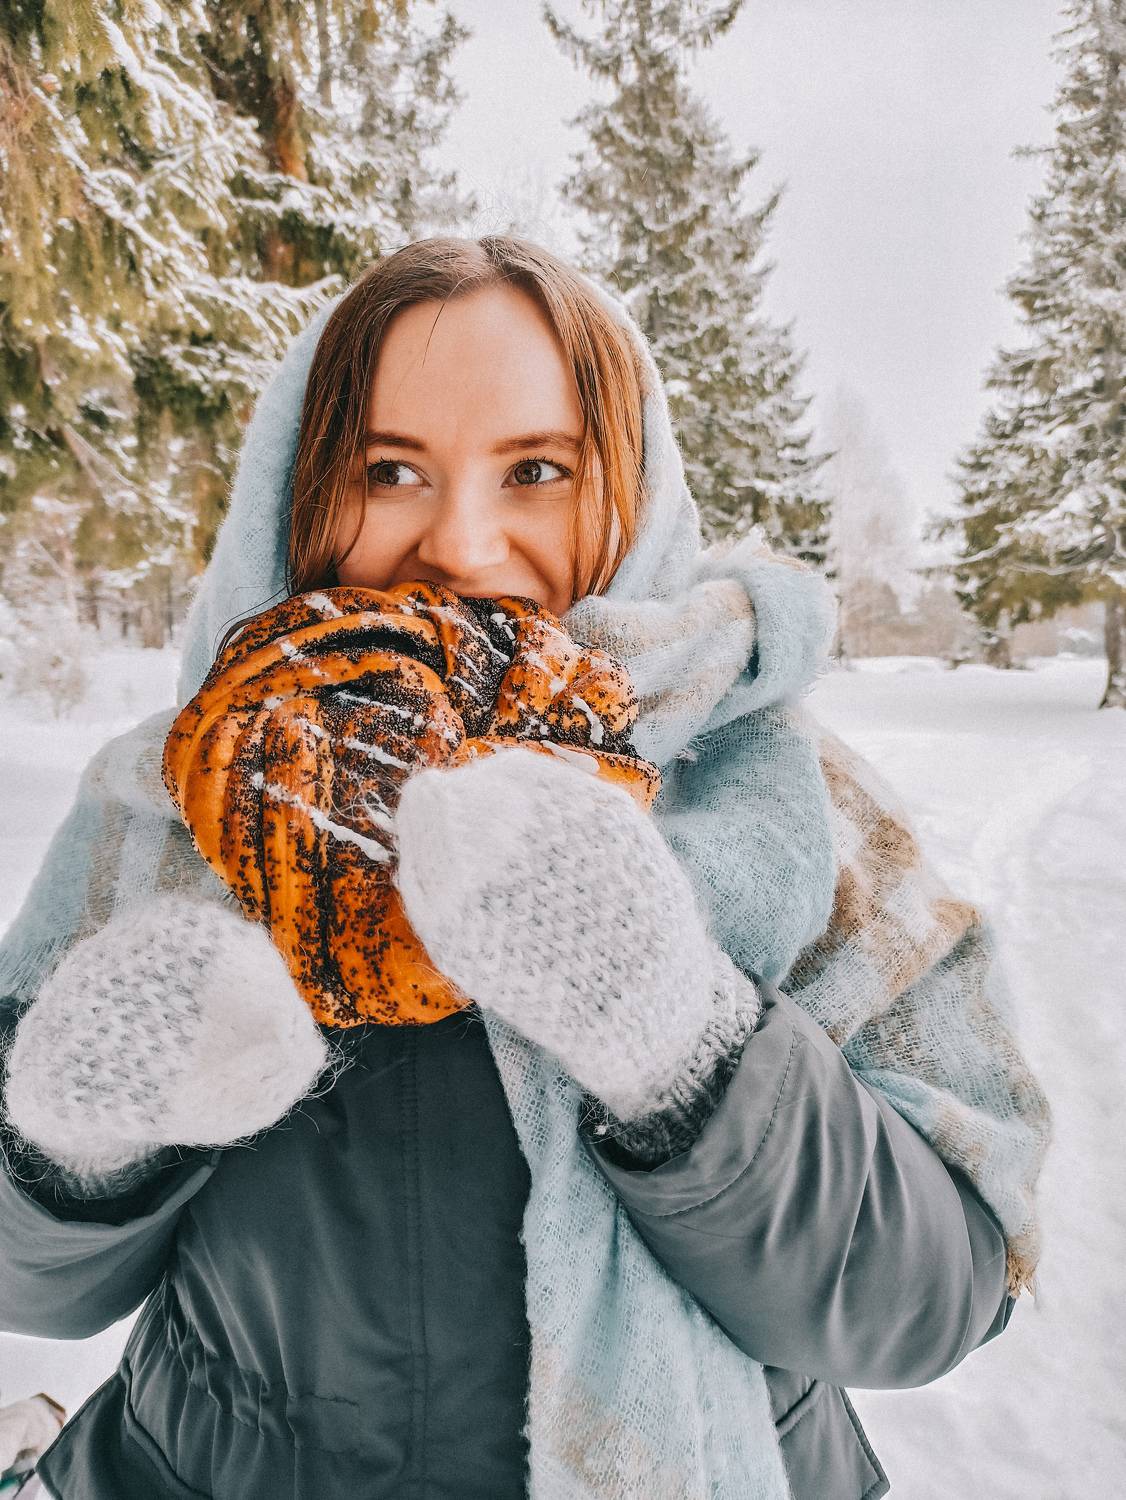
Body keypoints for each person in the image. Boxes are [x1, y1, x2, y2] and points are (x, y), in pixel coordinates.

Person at [0, 236, 1051, 1499]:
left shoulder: (791, 804)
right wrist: (79, 1139)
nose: (462, 543)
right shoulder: (179, 794)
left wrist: (686, 1048)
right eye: (389, 471)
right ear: (299, 487)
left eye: (536, 470)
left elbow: (935, 1303)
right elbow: (29, 1285)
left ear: (632, 488)